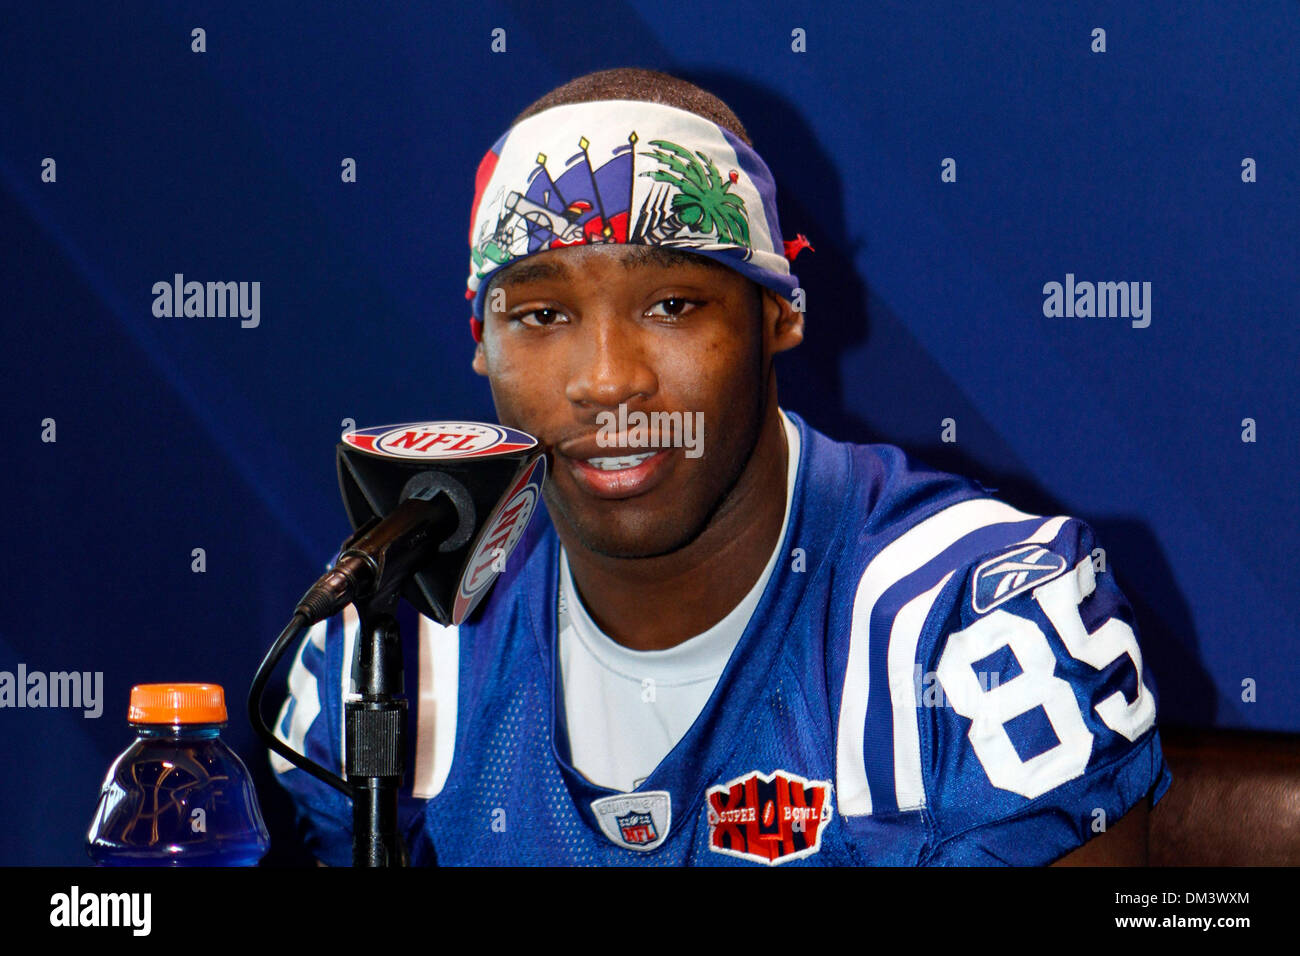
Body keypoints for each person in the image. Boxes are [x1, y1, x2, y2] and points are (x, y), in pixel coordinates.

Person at [272, 67, 1171, 866]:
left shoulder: (970, 621)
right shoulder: (392, 636)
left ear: (778, 316)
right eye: (542, 315)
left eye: (671, 303)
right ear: (483, 346)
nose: (607, 381)